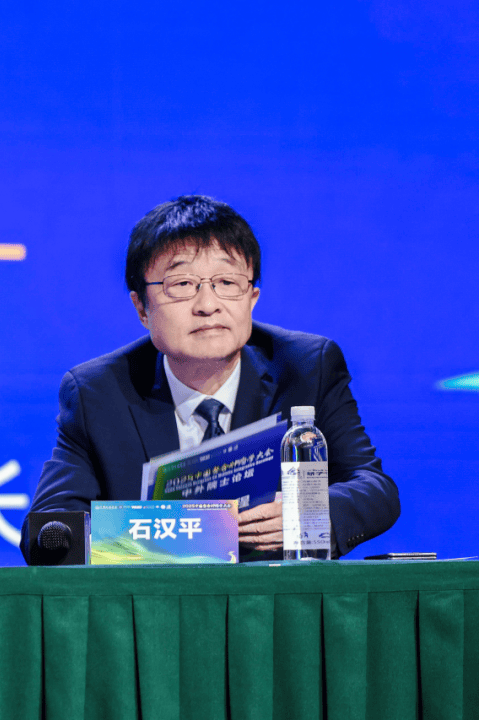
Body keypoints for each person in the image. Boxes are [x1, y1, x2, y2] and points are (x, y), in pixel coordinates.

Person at [22, 195, 399, 560]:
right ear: (141, 308)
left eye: (227, 283)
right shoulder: (98, 392)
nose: (207, 305)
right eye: (182, 285)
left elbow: (375, 489)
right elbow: (49, 530)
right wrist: (151, 535)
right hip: (158, 598)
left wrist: (308, 513)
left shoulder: (306, 367)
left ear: (252, 297)